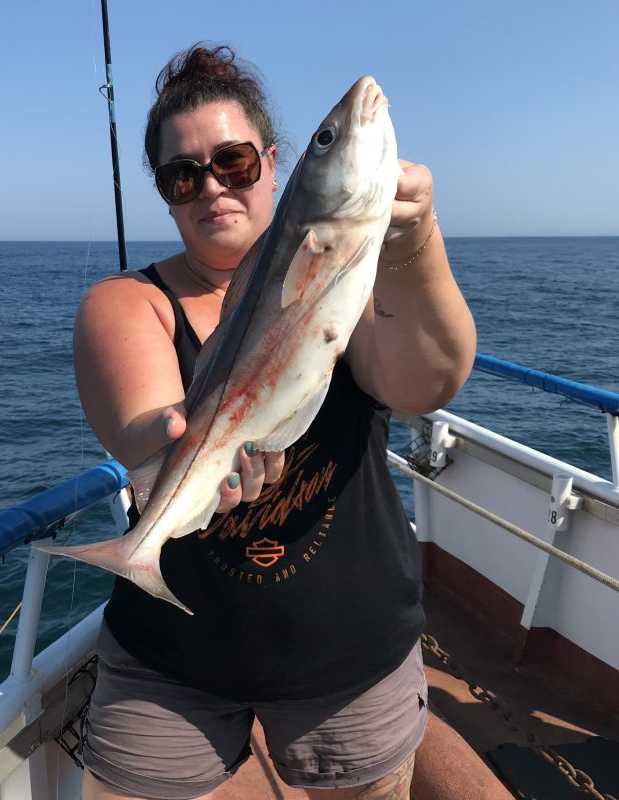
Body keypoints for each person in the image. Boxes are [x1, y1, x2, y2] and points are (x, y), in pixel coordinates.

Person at [73, 43, 476, 800]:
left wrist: (412, 238)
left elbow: (427, 383)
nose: (211, 186)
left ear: (275, 161)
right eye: (181, 174)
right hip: (170, 661)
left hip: (352, 645)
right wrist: (179, 449)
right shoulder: (127, 302)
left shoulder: (350, 269)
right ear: (163, 192)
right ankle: (142, 553)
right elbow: (136, 427)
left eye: (233, 161)